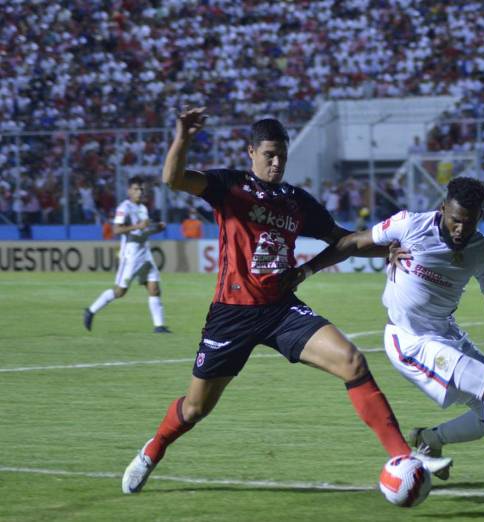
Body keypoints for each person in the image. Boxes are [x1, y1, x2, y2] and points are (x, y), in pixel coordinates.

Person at [121, 107, 451, 494]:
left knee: (352, 361)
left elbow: (339, 238)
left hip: (281, 310)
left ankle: (400, 456)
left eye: (281, 156)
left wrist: (385, 250)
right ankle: (154, 448)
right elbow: (173, 178)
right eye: (269, 155)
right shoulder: (230, 187)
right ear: (251, 153)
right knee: (196, 409)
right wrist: (183, 137)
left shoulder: (297, 201)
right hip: (232, 314)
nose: (276, 163)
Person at [296, 177, 484, 499]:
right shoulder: (410, 224)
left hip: (446, 333)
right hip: (409, 340)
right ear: (442, 210)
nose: (461, 229)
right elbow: (354, 242)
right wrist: (305, 271)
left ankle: (430, 439)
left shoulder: (482, 251)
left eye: (469, 222)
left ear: (479, 217)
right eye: (455, 220)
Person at [83, 176, 169, 334]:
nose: (139, 192)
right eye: (136, 189)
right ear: (129, 191)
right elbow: (116, 230)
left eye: (141, 189)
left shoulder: (143, 208)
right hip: (131, 254)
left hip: (145, 253)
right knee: (120, 292)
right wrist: (138, 225)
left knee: (154, 288)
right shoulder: (124, 207)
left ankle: (160, 326)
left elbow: (143, 229)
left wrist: (157, 228)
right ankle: (90, 310)